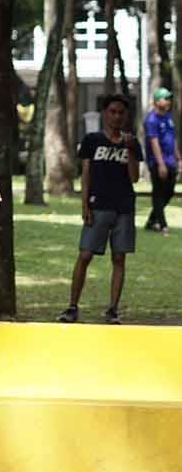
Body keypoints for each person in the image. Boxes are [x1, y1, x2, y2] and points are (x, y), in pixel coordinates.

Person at [58, 94, 141, 325]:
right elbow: (85, 175)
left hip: (124, 207)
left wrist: (131, 150)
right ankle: (72, 307)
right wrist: (85, 204)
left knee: (119, 257)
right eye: (112, 111)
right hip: (98, 205)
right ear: (105, 114)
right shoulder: (92, 140)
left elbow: (134, 178)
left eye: (121, 113)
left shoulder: (132, 143)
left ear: (125, 116)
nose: (116, 116)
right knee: (85, 255)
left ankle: (113, 309)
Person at [143, 87, 178, 233]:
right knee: (158, 192)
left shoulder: (168, 117)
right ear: (157, 101)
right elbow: (154, 142)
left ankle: (151, 221)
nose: (168, 101)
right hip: (158, 162)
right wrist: (160, 163)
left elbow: (172, 139)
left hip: (171, 160)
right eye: (165, 98)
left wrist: (179, 158)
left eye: (169, 98)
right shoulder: (151, 119)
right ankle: (163, 225)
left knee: (169, 192)